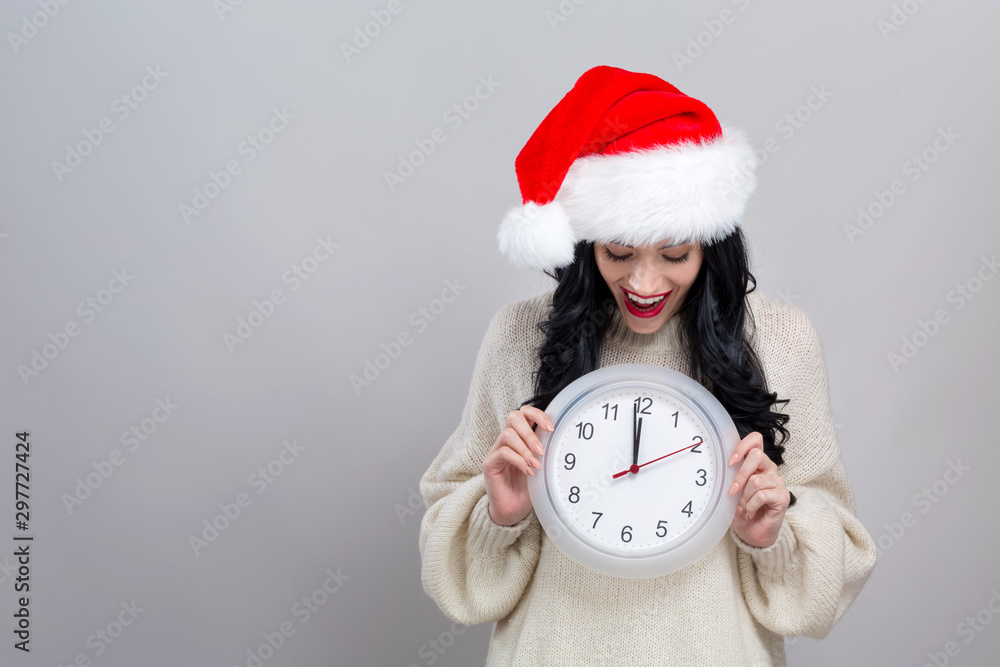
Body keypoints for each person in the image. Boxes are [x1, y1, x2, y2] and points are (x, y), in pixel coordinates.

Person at [418, 65, 877, 666]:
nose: (643, 281)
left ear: (711, 242)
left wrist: (774, 532)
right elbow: (456, 577)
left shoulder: (781, 339)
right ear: (587, 243)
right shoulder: (518, 336)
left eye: (675, 253)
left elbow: (831, 562)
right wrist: (498, 514)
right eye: (619, 251)